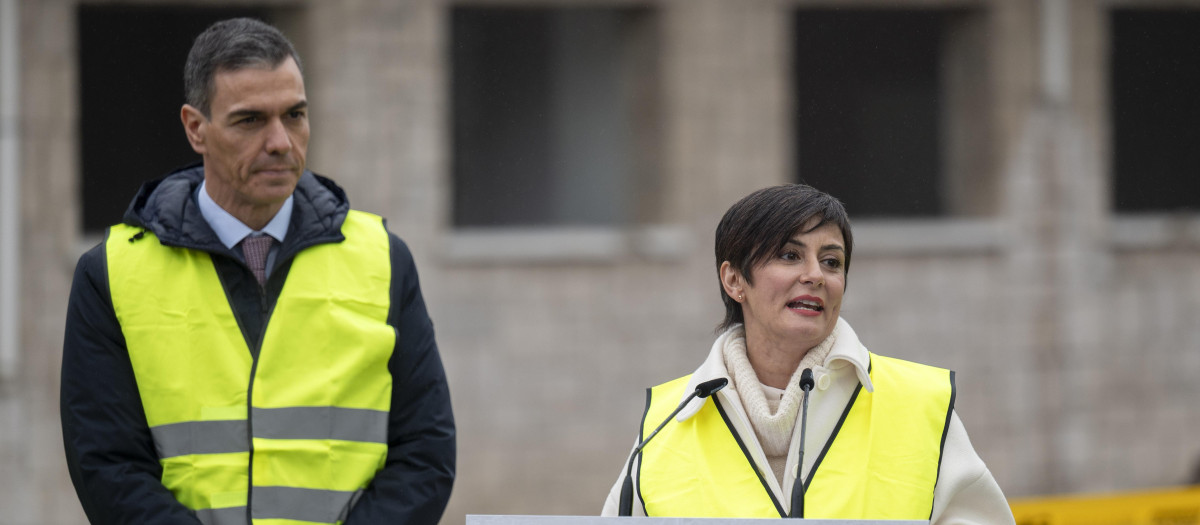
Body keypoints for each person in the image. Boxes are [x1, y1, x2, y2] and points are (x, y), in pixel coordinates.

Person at [60, 18, 454, 525]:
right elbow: (108, 466)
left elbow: (425, 454)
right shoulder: (112, 275)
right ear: (195, 128)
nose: (281, 142)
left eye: (295, 115)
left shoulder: (384, 260)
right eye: (250, 120)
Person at [601, 184, 1013, 523]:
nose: (815, 275)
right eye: (790, 255)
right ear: (734, 280)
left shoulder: (921, 404)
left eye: (831, 262)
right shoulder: (666, 423)